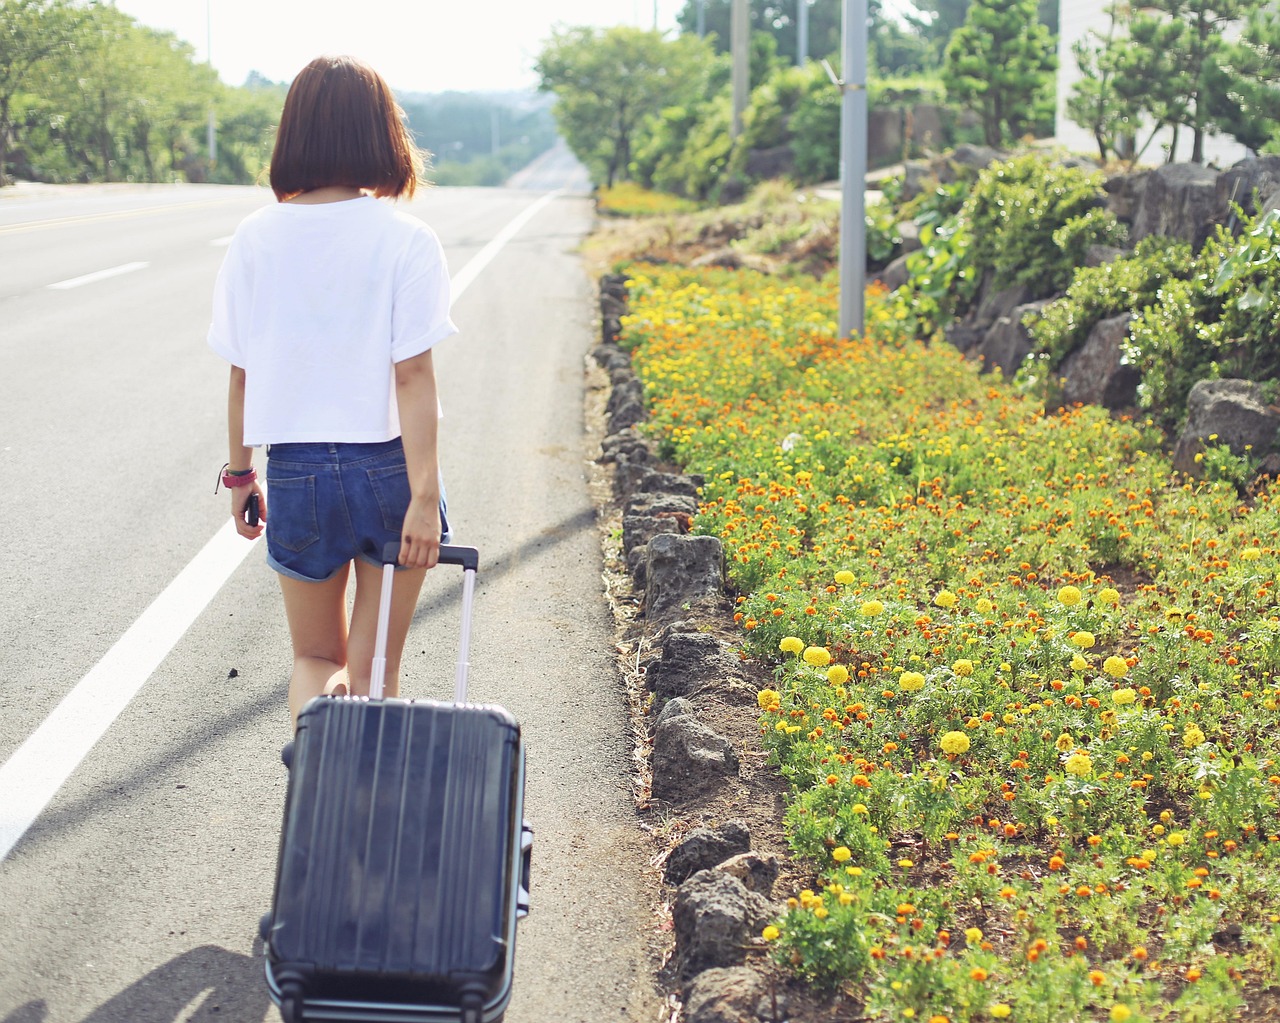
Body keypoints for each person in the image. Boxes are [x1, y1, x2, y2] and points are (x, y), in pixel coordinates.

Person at [208, 55, 457, 725]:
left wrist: (240, 478)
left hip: (296, 472)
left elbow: (240, 372)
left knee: (316, 658)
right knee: (378, 668)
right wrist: (425, 499)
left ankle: (316, 775)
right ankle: (363, 812)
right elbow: (413, 376)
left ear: (294, 134)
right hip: (387, 468)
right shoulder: (408, 239)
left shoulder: (256, 238)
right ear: (382, 133)